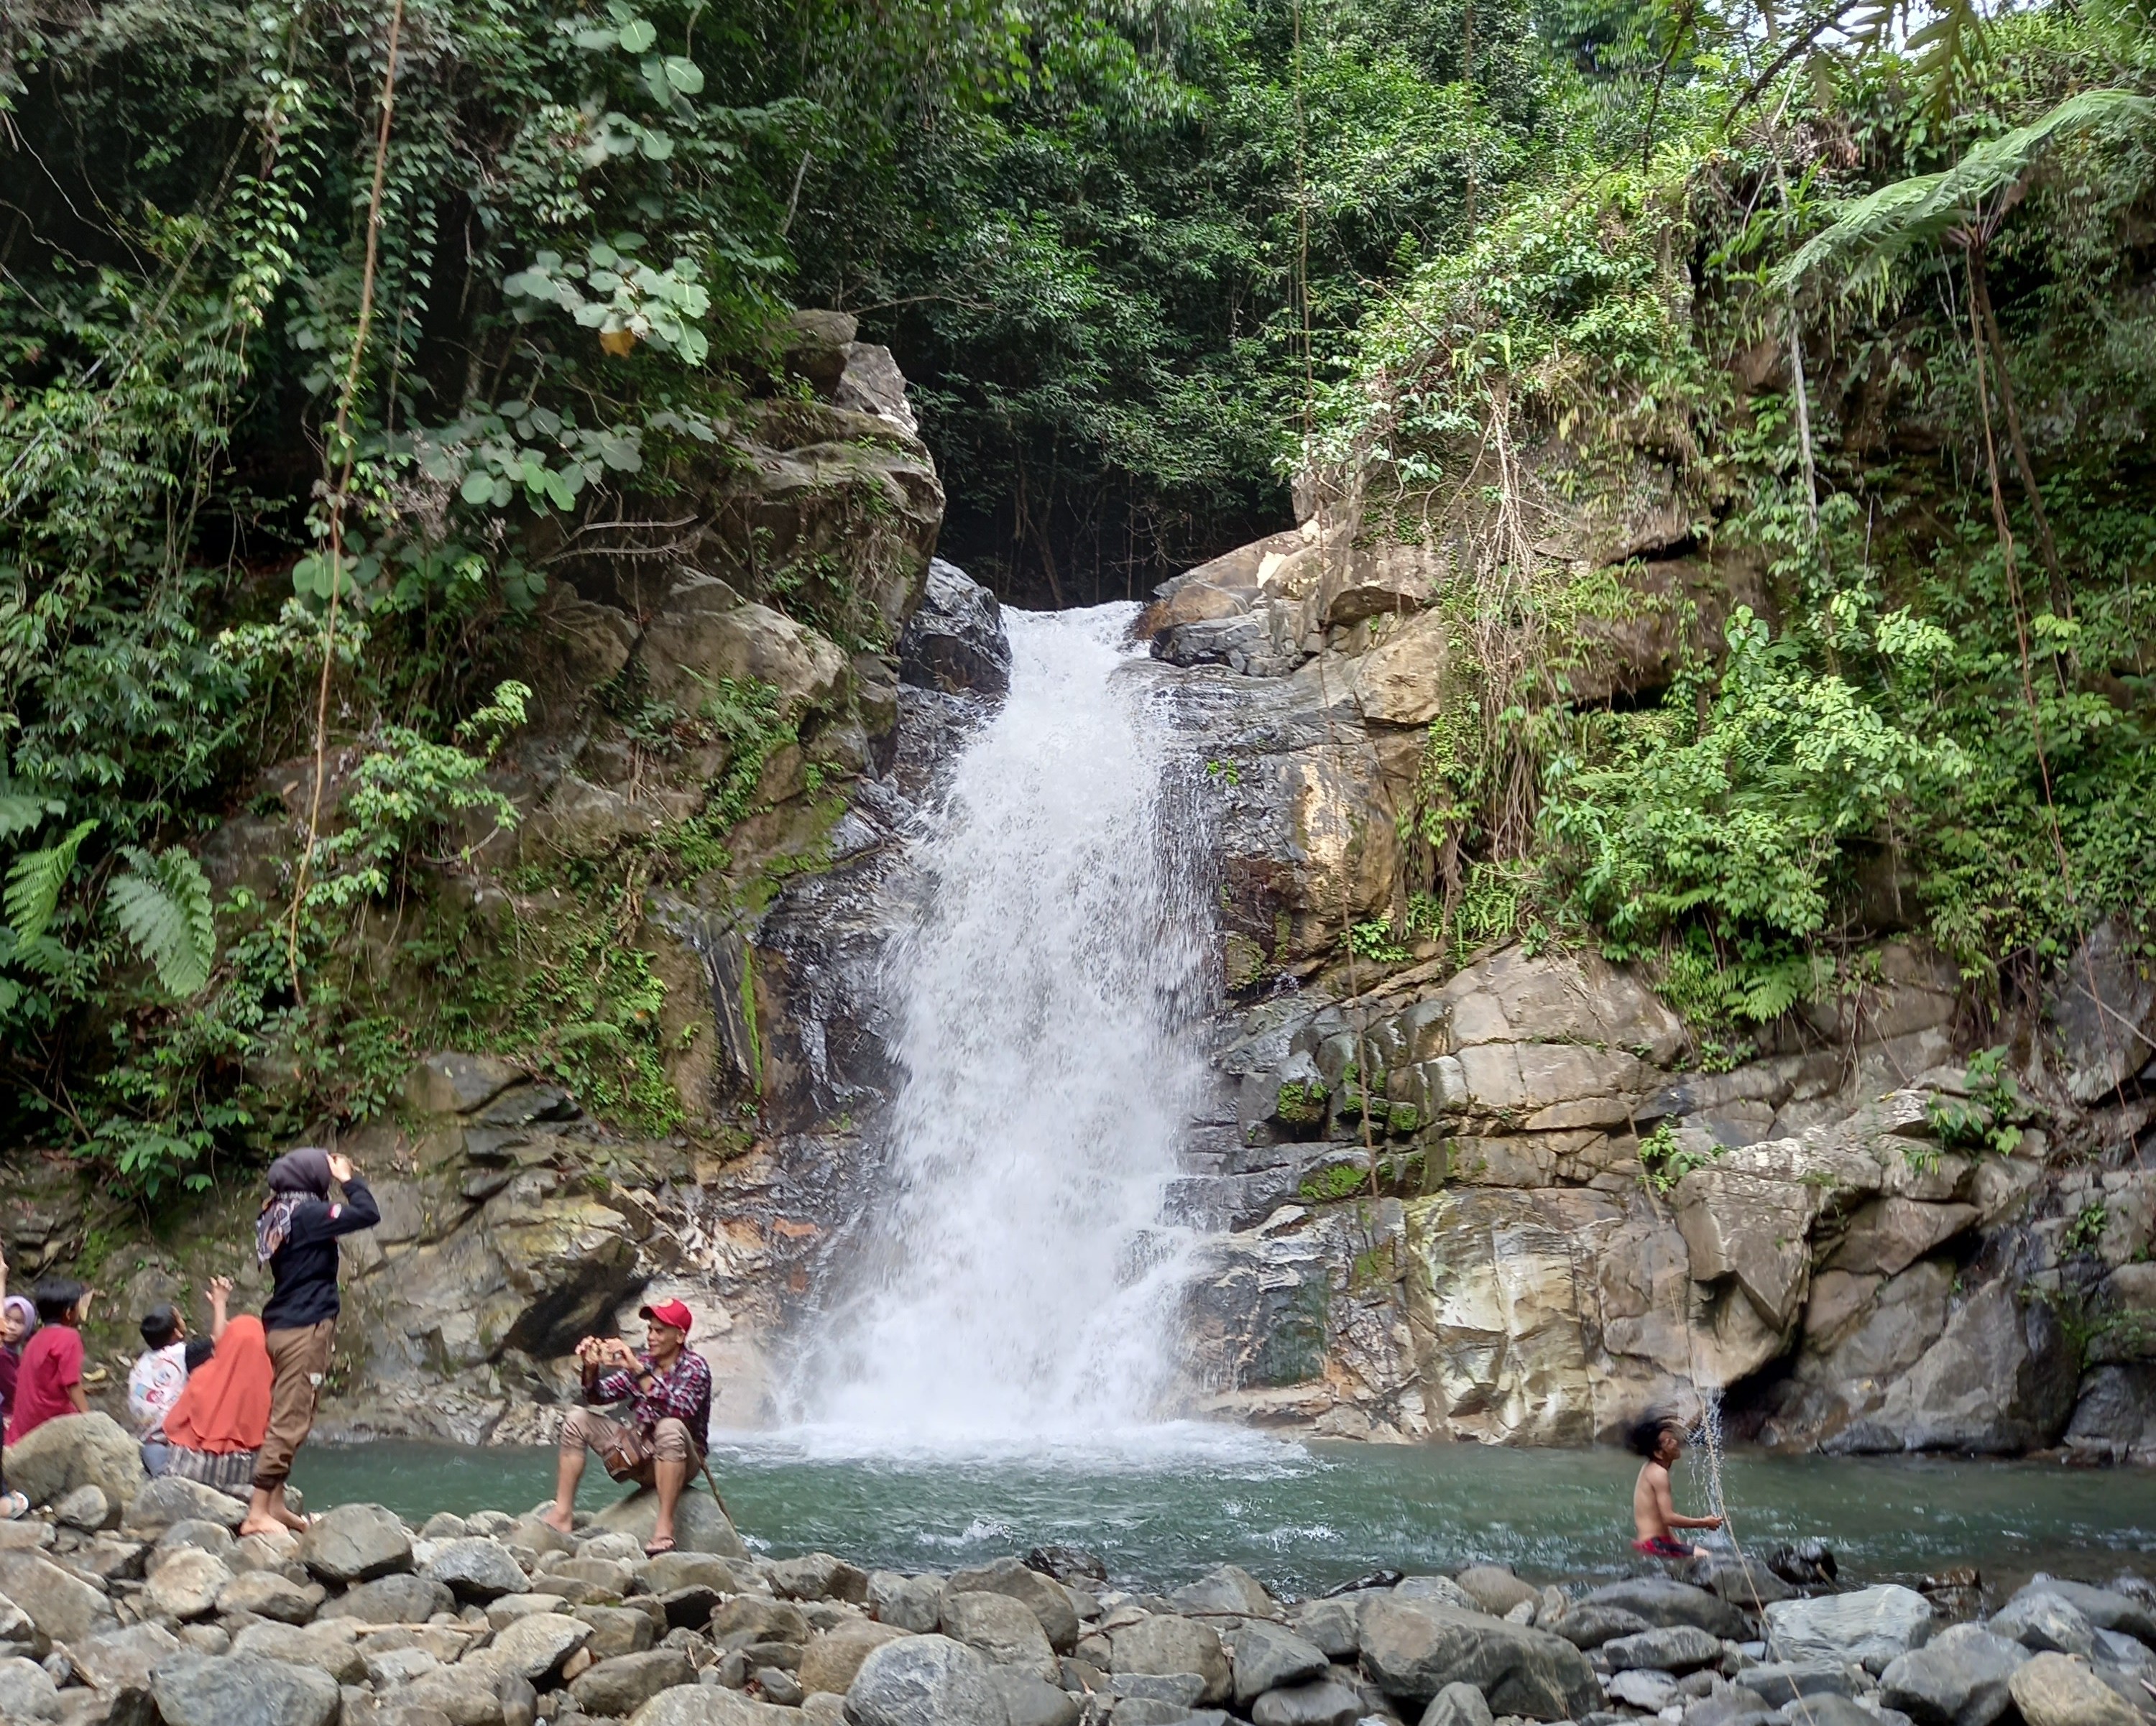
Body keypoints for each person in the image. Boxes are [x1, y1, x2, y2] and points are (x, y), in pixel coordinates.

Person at [244, 1146, 378, 1538]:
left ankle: (276, 1504)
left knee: (294, 1413)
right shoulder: (308, 1214)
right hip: (305, 1328)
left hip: (282, 1325)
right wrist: (349, 1180)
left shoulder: (275, 1212)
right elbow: (368, 1213)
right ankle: (256, 1512)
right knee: (290, 1419)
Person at [543, 1298, 711, 1556]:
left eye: (659, 1331)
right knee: (576, 1419)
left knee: (669, 1426)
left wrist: (637, 1369)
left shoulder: (695, 1367)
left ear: (680, 1336)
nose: (651, 1337)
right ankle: (562, 1514)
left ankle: (664, 1530)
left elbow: (679, 1411)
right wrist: (591, 1368)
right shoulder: (645, 1362)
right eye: (650, 1329)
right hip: (641, 1454)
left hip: (681, 1459)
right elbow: (597, 1396)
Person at [161, 1306, 275, 1500]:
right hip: (242, 1476)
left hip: (193, 1472)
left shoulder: (204, 1375)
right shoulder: (268, 1386)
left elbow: (173, 1423)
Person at [134, 1278, 231, 1476]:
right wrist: (220, 1302)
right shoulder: (182, 1355)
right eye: (180, 1318)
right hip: (171, 1440)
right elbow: (219, 1341)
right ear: (177, 1332)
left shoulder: (143, 1362)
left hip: (148, 1439)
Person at [9, 1278, 96, 1444]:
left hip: (22, 1430)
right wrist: (88, 1416)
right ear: (69, 1312)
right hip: (47, 1424)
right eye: (78, 1305)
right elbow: (72, 1383)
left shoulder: (34, 1340)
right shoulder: (69, 1337)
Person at [1629, 1414, 1723, 1560]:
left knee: (1696, 1553)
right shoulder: (1659, 1473)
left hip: (1655, 1542)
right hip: (1654, 1544)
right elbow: (1669, 1518)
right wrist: (1705, 1522)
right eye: (1669, 1442)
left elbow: (1660, 1518)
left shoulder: (1652, 1469)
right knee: (1708, 1558)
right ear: (1659, 1453)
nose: (1676, 1442)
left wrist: (1676, 1542)